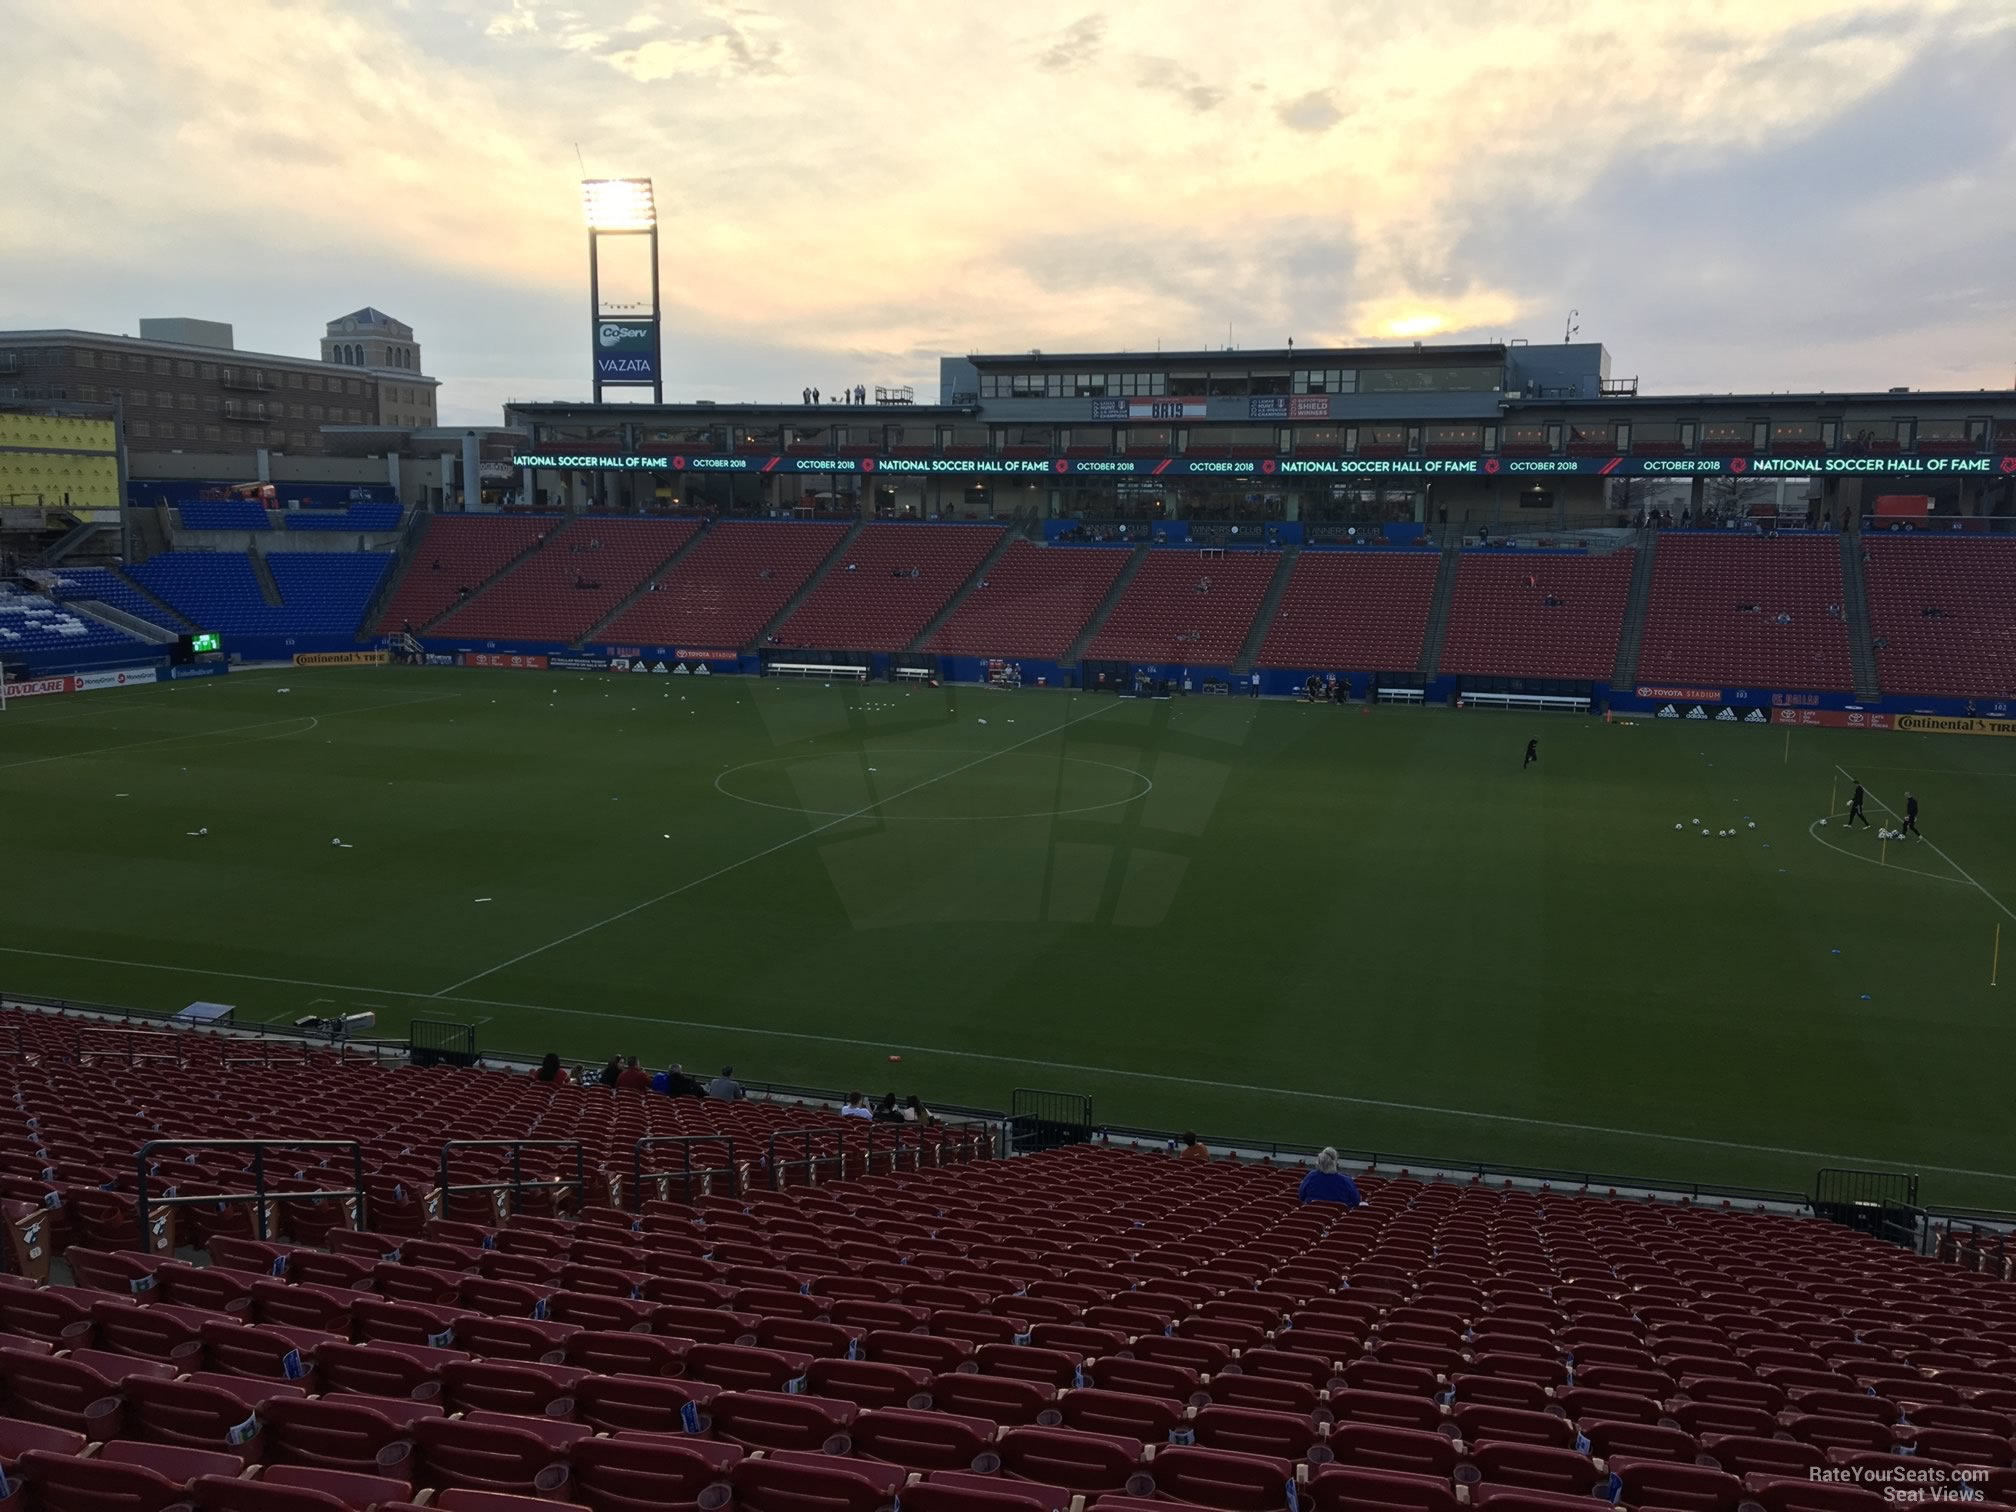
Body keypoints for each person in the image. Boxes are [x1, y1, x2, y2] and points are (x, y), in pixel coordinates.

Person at [1298, 1148, 1363, 1208]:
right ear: (1335, 1162)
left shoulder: (1311, 1177)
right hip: (1337, 1217)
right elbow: (1356, 1201)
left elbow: (1301, 1196)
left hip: (1312, 1215)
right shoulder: (1346, 1181)